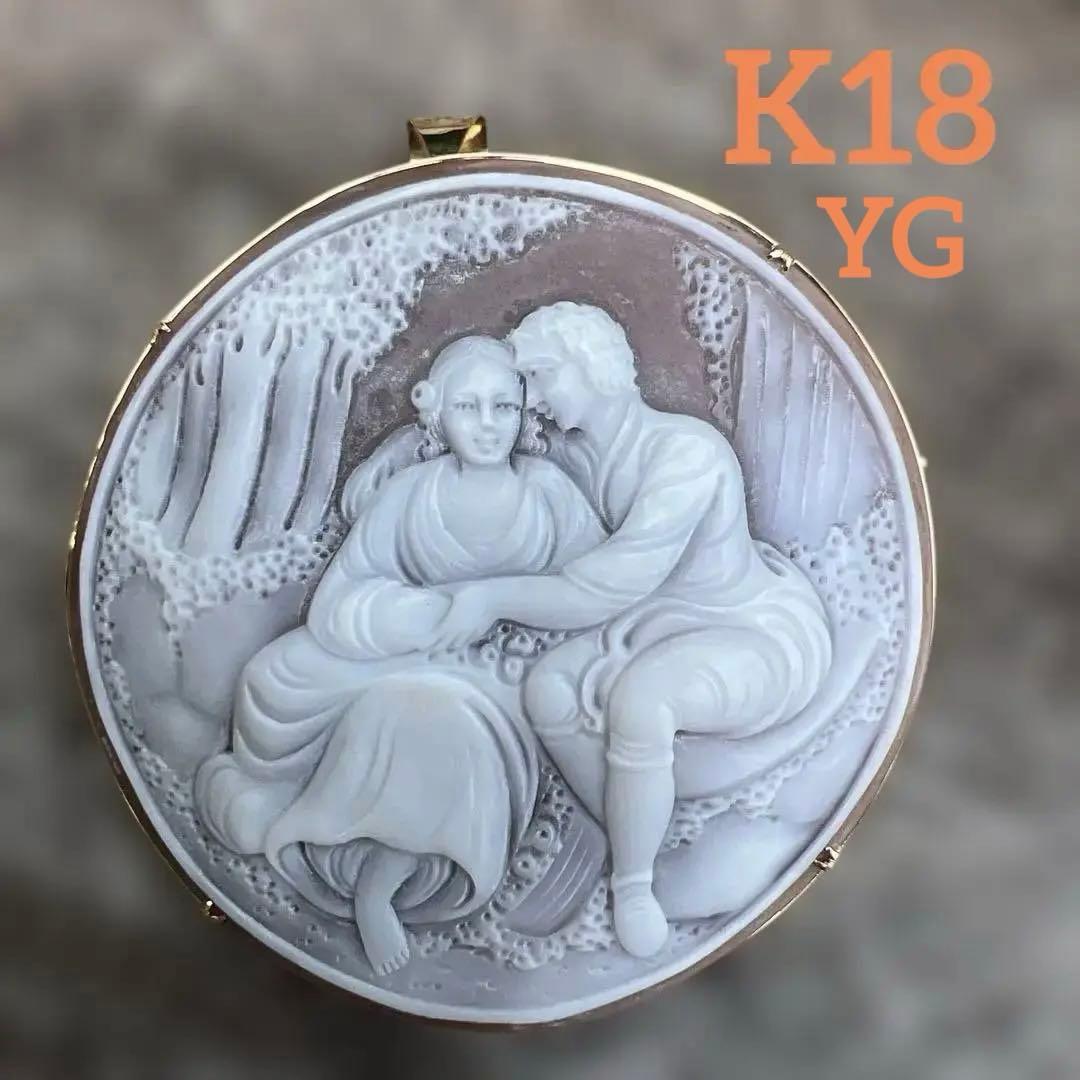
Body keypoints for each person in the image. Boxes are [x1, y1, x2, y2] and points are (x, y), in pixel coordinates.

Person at [429, 303, 833, 959]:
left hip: (746, 630)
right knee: (549, 688)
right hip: (651, 624)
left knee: (644, 700)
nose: (533, 400)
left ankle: (635, 885)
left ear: (591, 367)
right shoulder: (579, 454)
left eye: (541, 377)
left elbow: (608, 585)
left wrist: (491, 597)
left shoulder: (687, 453)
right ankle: (628, 828)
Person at [195, 335, 604, 976]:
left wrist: (513, 618)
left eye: (503, 406)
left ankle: (379, 884)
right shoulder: (414, 492)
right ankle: (280, 802)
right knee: (273, 678)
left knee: (422, 715)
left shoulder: (548, 493)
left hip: (505, 668)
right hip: (411, 645)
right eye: (469, 407)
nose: (488, 424)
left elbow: (597, 591)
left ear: (525, 411)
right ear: (436, 412)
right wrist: (420, 617)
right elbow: (341, 597)